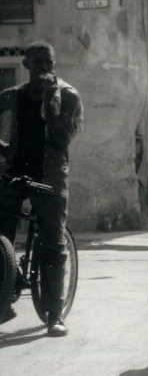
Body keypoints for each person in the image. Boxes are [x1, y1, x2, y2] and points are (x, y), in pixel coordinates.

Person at [0, 41, 82, 336]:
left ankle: (54, 314)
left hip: (50, 177)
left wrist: (51, 106)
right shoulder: (11, 96)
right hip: (13, 173)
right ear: (26, 66)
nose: (45, 70)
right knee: (0, 236)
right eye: (39, 64)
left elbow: (61, 141)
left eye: (49, 63)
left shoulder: (68, 96)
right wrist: (6, 150)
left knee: (53, 242)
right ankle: (4, 293)